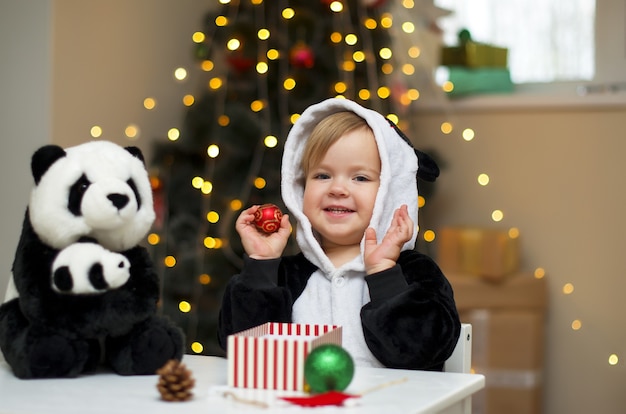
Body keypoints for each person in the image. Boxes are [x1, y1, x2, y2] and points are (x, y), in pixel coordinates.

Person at [218, 97, 460, 370]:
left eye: (360, 178)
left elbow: (426, 350)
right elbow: (247, 355)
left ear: (390, 193)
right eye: (322, 176)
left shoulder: (413, 272)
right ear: (300, 188)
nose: (338, 189)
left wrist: (383, 273)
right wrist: (261, 267)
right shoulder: (284, 275)